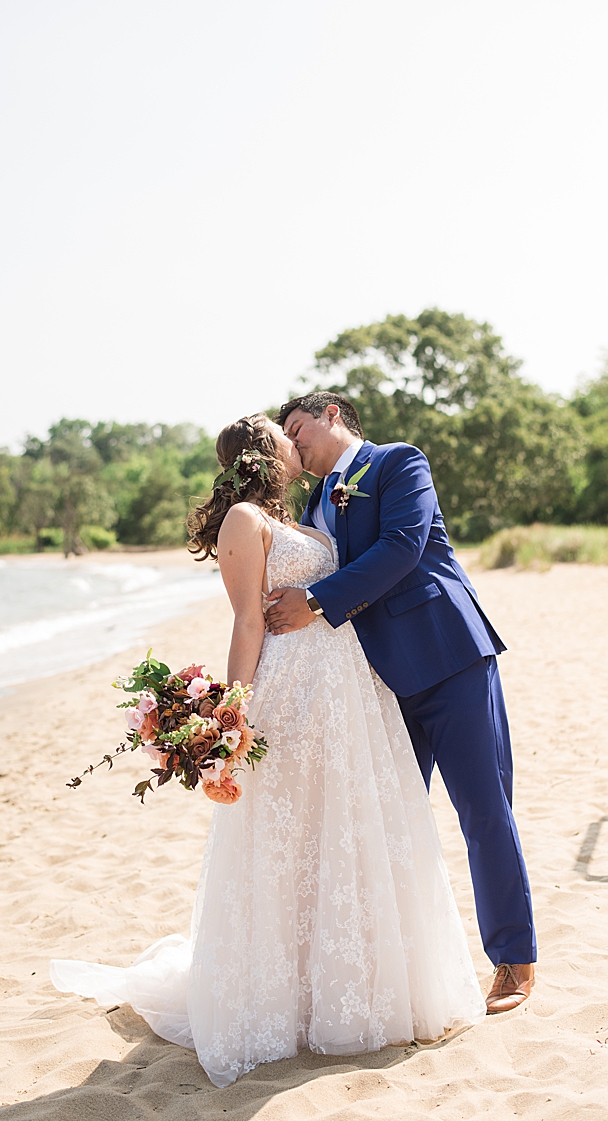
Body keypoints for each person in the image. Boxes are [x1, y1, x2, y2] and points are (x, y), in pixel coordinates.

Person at [52, 415, 485, 1087]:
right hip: (292, 691)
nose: (296, 441)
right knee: (290, 840)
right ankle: (286, 998)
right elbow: (248, 619)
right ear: (264, 450)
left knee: (344, 832)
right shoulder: (243, 520)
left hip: (347, 694)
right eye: (283, 433)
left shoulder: (309, 511)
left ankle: (354, 982)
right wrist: (232, 714)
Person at [263, 392, 536, 1012]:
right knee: (383, 823)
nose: (295, 443)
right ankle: (395, 968)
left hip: (447, 659)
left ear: (333, 414)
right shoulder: (310, 502)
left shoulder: (397, 463)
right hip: (375, 685)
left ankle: (513, 963)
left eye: (299, 428)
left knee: (484, 809)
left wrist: (317, 602)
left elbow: (402, 548)